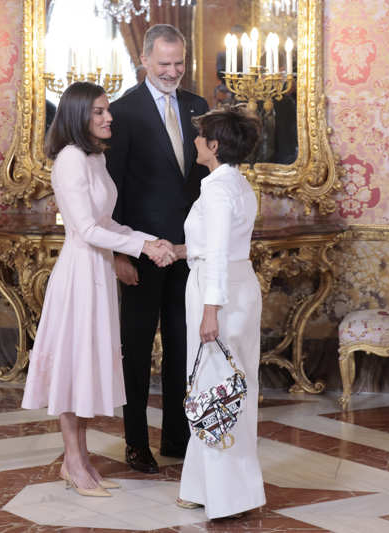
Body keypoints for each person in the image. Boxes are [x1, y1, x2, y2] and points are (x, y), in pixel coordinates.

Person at [21, 82, 176, 498]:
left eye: (107, 110)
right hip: (78, 275)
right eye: (99, 112)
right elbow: (86, 230)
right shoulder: (70, 160)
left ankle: (81, 460)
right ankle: (73, 462)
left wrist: (149, 240)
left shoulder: (94, 158)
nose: (109, 118)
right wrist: (142, 246)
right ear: (77, 116)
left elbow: (106, 224)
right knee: (74, 368)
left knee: (87, 368)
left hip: (99, 274)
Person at [106, 24, 210, 474]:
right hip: (142, 250)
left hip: (187, 250)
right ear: (145, 61)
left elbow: (201, 183)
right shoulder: (121, 112)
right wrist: (121, 253)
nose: (173, 72)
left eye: (179, 63)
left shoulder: (197, 106)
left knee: (183, 346)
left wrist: (198, 244)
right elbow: (113, 189)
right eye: (164, 64)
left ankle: (176, 437)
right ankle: (134, 442)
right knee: (135, 346)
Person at [173, 107, 266, 519]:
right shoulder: (239, 184)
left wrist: (210, 311)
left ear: (213, 146)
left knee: (214, 391)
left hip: (218, 294)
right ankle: (200, 485)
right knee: (232, 387)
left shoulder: (215, 188)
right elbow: (218, 244)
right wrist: (181, 250)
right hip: (240, 287)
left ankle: (228, 497)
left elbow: (217, 255)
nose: (195, 142)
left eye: (200, 137)